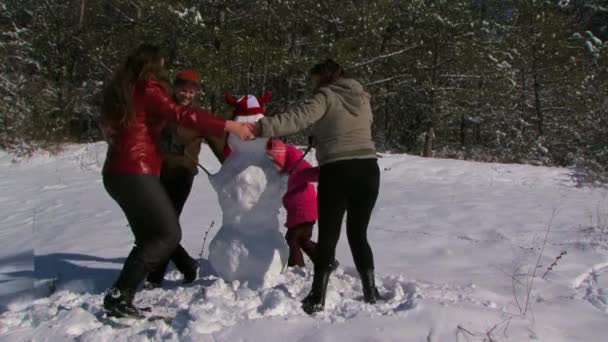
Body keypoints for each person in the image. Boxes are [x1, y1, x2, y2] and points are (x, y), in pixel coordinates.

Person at [100, 44, 252, 318]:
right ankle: (120, 294)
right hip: (136, 170)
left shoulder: (124, 89)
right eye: (161, 63)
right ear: (152, 65)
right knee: (168, 234)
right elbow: (184, 115)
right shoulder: (148, 87)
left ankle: (124, 295)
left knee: (150, 236)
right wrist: (231, 125)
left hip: (118, 172)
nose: (164, 69)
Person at [247, 59, 382, 314]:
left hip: (338, 170)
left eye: (313, 79)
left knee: (329, 235)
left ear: (322, 77)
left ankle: (317, 296)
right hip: (368, 169)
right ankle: (371, 291)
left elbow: (298, 118)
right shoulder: (363, 97)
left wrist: (261, 127)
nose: (311, 85)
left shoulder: (325, 95)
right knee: (358, 233)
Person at [144, 69, 204, 289]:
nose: (186, 95)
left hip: (182, 175)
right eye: (183, 90)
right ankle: (186, 264)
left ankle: (155, 276)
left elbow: (218, 140)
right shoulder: (163, 110)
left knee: (165, 225)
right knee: (159, 225)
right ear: (175, 88)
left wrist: (231, 163)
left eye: (191, 92)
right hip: (157, 173)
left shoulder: (198, 116)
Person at [266, 138, 320, 268]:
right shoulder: (286, 168)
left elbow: (312, 173)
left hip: (304, 210)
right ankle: (325, 259)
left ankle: (296, 268)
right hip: (298, 212)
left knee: (292, 239)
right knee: (302, 240)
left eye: (276, 161)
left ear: (282, 156)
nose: (274, 165)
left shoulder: (297, 167)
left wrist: (326, 169)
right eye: (271, 161)